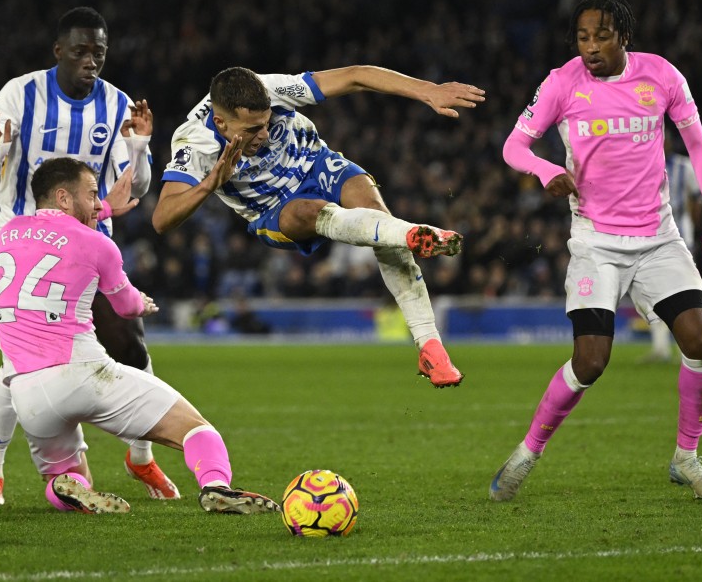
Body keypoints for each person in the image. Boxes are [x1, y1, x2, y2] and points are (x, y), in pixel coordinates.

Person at [493, 0, 702, 502]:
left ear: (624, 35)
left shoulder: (662, 76)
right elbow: (514, 146)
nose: (591, 47)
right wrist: (547, 170)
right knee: (591, 361)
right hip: (596, 244)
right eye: (582, 38)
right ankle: (527, 452)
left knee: (699, 341)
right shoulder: (561, 83)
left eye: (602, 35)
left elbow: (701, 150)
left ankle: (686, 458)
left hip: (659, 239)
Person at [153, 66, 485, 387]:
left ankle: (430, 346)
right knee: (315, 213)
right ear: (221, 122)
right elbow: (162, 218)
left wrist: (427, 91)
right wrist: (211, 182)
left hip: (317, 164)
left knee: (375, 214)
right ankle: (410, 234)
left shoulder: (273, 89)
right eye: (252, 130)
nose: (264, 134)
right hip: (274, 208)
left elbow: (355, 76)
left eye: (266, 123)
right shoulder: (193, 142)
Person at [0, 6, 176, 506]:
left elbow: (135, 188)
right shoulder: (21, 94)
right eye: (81, 50)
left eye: (98, 52)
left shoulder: (117, 103)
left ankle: (141, 457)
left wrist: (142, 149)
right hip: (21, 240)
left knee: (130, 345)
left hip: (87, 240)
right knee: (20, 366)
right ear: (58, 50)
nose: (91, 60)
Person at [0, 157, 280, 515]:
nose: (99, 204)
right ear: (64, 198)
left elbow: (52, 244)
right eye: (93, 194)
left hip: (27, 392)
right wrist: (141, 304)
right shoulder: (97, 243)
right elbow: (125, 307)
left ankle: (67, 488)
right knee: (196, 430)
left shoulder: (8, 233)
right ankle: (216, 486)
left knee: (69, 476)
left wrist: (106, 209)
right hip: (82, 372)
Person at [638, 143, 702, 363]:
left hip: (679, 236)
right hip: (650, 235)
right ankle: (662, 348)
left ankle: (690, 346)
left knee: (682, 292)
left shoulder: (685, 166)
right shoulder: (641, 161)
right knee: (651, 292)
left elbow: (696, 201)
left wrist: (693, 229)